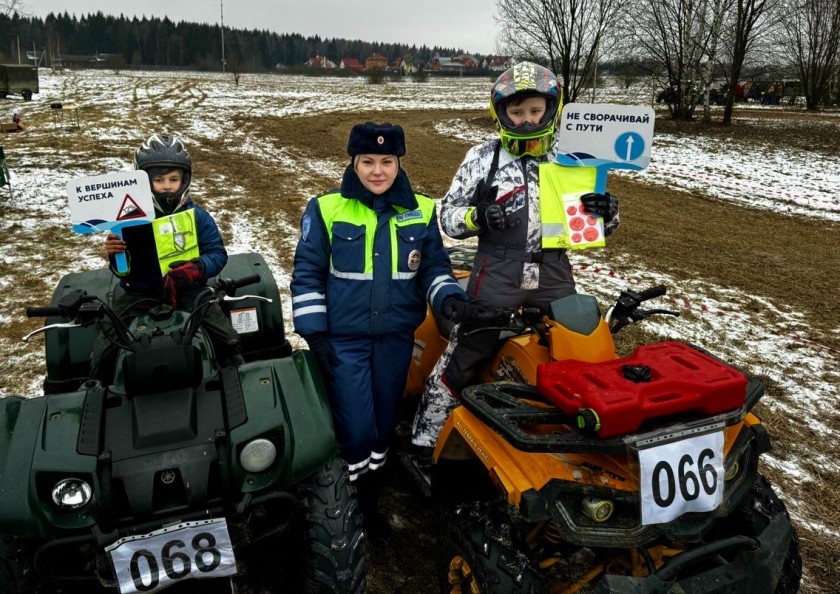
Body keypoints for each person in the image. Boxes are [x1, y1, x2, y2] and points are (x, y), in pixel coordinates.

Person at [410, 62, 621, 459]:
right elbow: (446, 216)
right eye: (517, 112)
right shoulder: (482, 157)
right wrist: (476, 216)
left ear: (551, 108)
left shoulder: (572, 156)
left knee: (584, 345)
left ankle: (592, 438)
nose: (527, 120)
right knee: (469, 349)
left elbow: (595, 229)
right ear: (501, 114)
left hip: (554, 267)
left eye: (535, 111)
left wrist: (606, 212)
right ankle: (425, 436)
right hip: (497, 268)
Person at [290, 122, 470, 526]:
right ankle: (349, 500)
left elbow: (435, 269)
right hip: (344, 341)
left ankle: (371, 492)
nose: (377, 171)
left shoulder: (421, 209)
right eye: (367, 161)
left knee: (385, 422)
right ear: (353, 163)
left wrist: (449, 298)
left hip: (395, 339)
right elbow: (307, 272)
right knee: (356, 427)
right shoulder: (326, 208)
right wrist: (315, 333)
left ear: (398, 163)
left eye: (386, 161)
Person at [90, 134, 242, 380]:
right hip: (139, 291)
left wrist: (198, 268)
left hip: (189, 290)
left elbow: (218, 254)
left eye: (174, 179)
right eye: (158, 180)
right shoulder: (128, 223)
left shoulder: (198, 216)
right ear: (143, 180)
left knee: (227, 337)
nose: (167, 186)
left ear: (185, 179)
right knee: (106, 343)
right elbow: (122, 272)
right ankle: (98, 385)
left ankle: (233, 377)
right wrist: (116, 255)